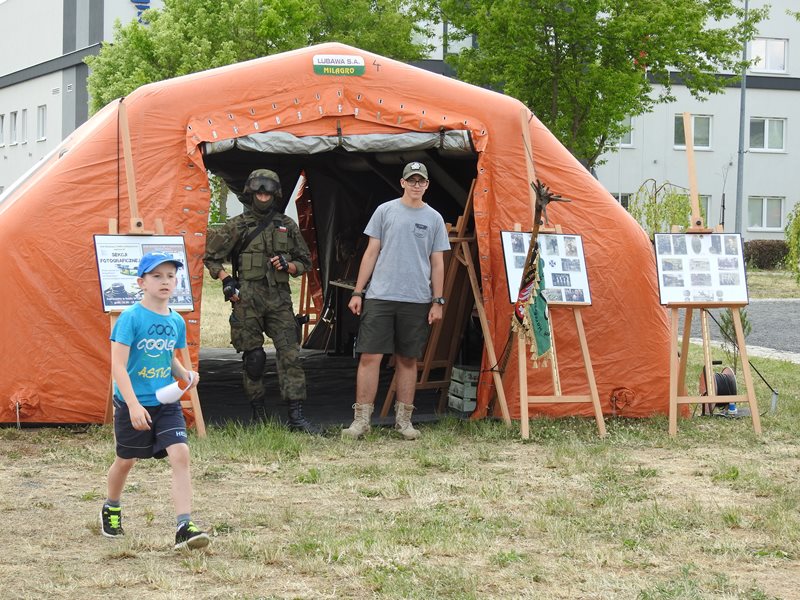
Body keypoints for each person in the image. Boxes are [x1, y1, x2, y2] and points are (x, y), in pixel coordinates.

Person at [101, 252, 209, 551]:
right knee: (126, 460)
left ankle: (184, 526)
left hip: (165, 402)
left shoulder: (176, 320)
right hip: (133, 402)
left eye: (170, 276)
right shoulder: (130, 318)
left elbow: (169, 357)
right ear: (142, 282)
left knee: (181, 453)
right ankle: (111, 506)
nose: (165, 281)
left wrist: (185, 374)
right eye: (157, 276)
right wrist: (133, 405)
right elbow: (118, 366)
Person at [203, 169, 318, 433]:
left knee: (290, 355)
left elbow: (306, 261)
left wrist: (288, 265)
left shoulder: (287, 225)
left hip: (279, 299)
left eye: (267, 193)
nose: (263, 197)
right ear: (250, 193)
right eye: (259, 192)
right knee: (254, 359)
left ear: (275, 195)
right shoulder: (237, 225)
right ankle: (258, 413)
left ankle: (296, 417)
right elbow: (210, 257)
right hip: (247, 299)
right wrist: (226, 280)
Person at [343, 162, 450, 440]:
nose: (416, 185)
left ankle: (404, 421)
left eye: (421, 181)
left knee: (408, 359)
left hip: (416, 298)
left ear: (427, 185)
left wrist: (437, 300)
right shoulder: (385, 211)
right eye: (411, 180)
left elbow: (437, 263)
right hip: (380, 295)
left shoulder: (434, 218)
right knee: (370, 356)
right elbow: (371, 252)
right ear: (402, 183)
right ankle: (361, 420)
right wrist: (358, 291)